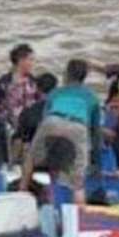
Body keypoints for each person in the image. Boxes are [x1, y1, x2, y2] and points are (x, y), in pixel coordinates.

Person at [20, 60, 100, 208]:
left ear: (66, 75)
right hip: (78, 126)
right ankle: (79, 218)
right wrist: (96, 158)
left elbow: (45, 116)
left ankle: (21, 197)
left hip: (53, 121)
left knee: (30, 159)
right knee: (77, 182)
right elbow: (95, 131)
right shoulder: (92, 97)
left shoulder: (56, 93)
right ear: (85, 77)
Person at [0, 43, 40, 129]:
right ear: (21, 60)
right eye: (30, 59)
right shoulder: (3, 82)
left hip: (30, 124)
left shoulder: (33, 81)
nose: (32, 63)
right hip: (7, 125)